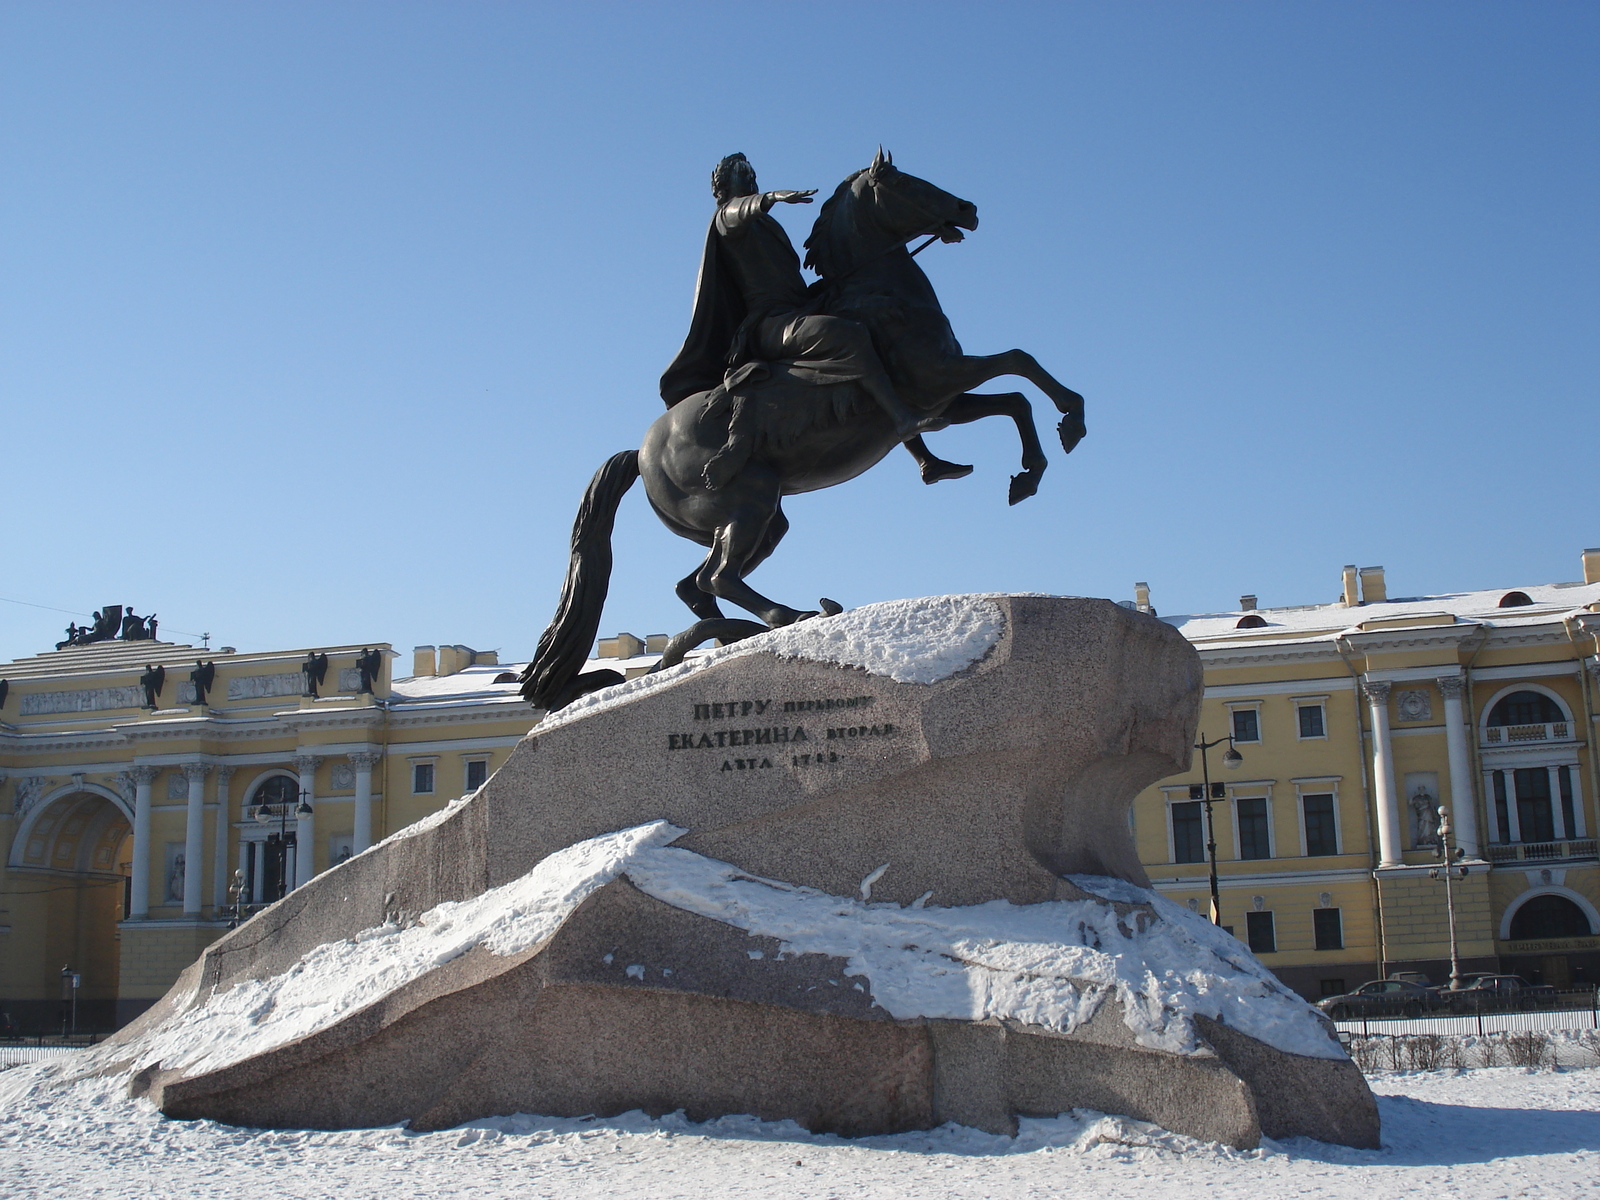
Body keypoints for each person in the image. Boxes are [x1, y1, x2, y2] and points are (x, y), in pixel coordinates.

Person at [661, 153, 946, 443]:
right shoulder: (727, 220)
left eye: (752, 175)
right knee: (848, 335)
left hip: (799, 309)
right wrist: (770, 198)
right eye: (743, 175)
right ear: (724, 187)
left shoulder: (767, 226)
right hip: (770, 323)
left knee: (876, 322)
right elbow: (736, 212)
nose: (751, 180)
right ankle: (902, 418)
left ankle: (925, 458)